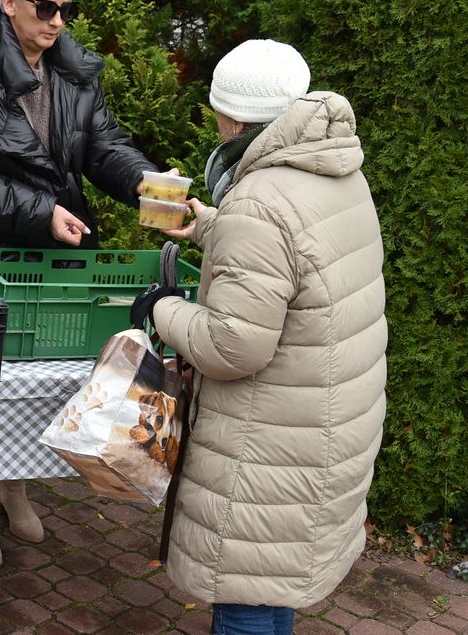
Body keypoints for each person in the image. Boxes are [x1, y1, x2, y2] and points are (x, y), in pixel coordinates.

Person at [0, 0, 165, 567]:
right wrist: (38, 213)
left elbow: (102, 145)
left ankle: (12, 483)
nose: (56, 21)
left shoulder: (71, 70)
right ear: (8, 3)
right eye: (44, 7)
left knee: (39, 375)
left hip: (46, 249)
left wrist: (146, 183)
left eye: (65, 9)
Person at [135, 39, 388, 634]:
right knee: (274, 578)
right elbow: (296, 263)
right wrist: (211, 228)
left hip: (268, 442)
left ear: (233, 117)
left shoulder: (259, 198)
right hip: (322, 425)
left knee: (244, 586)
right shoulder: (334, 171)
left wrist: (160, 308)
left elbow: (232, 347)